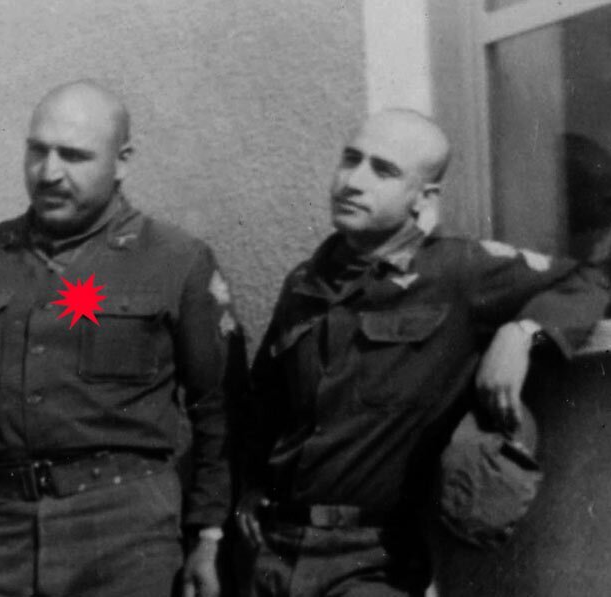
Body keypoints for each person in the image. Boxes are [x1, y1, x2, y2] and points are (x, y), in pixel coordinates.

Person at [235, 109, 609, 597]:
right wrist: (250, 488)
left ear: (424, 198)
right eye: (350, 159)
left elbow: (589, 280)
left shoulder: (459, 272)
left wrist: (522, 333)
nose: (353, 181)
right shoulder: (305, 282)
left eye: (383, 170)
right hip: (274, 551)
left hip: (372, 561)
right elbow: (265, 405)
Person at [0, 80, 244, 597]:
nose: (49, 172)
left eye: (74, 156)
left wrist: (209, 534)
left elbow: (220, 410)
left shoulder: (176, 260)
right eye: (37, 151)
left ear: (122, 161)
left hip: (126, 541)